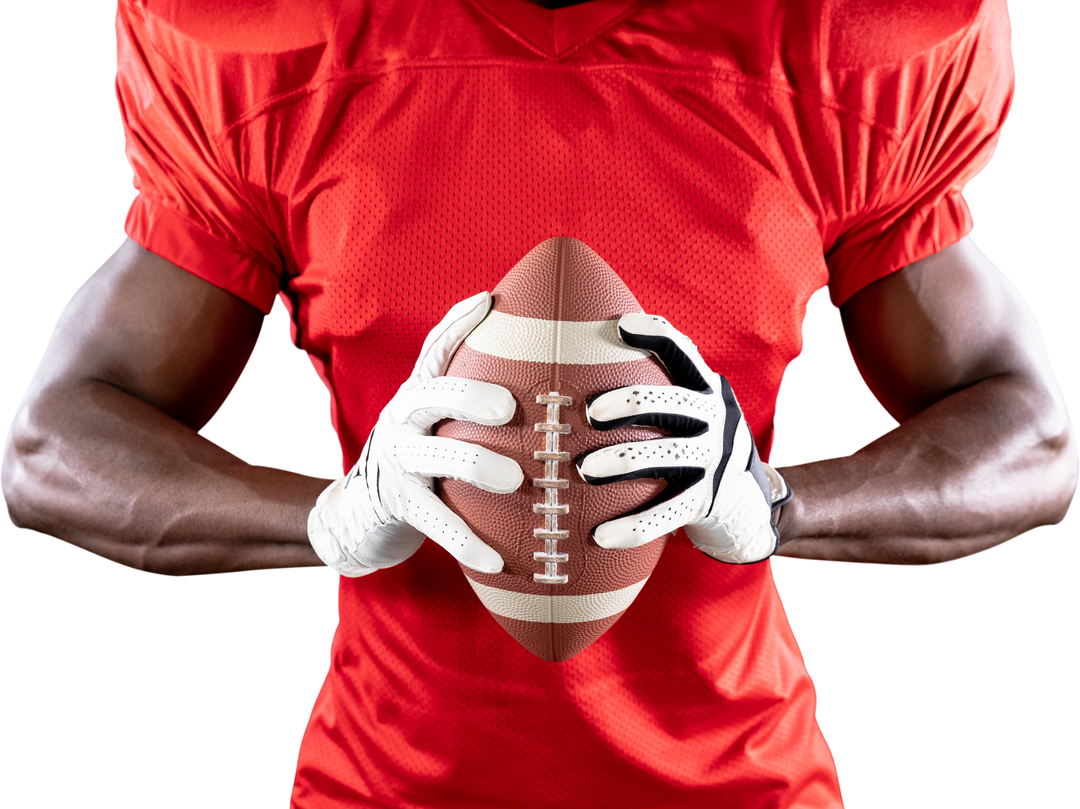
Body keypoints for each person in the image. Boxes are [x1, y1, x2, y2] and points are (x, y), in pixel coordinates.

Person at [2, 0, 1075, 807]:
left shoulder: (808, 60)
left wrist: (777, 499)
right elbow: (53, 446)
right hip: (384, 782)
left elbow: (1032, 434)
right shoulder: (302, 62)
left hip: (743, 779)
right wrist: (331, 515)